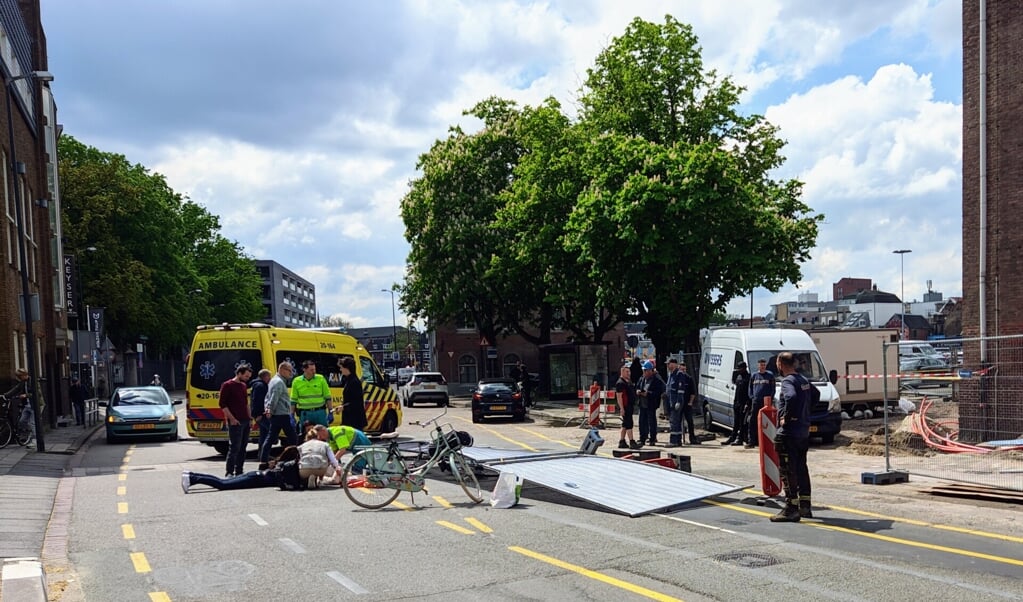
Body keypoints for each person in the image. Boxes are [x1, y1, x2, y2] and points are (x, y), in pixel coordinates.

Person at [770, 351, 814, 522]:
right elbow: (815, 396)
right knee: (802, 468)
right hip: (803, 431)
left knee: (788, 470)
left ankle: (791, 508)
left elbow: (791, 397)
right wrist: (805, 415)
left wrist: (786, 418)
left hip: (789, 433)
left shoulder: (788, 381)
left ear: (780, 364)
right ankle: (805, 506)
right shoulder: (803, 380)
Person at [182, 446, 300, 493]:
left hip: (255, 475)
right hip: (255, 479)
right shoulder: (287, 466)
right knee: (223, 485)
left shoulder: (280, 462)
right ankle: (192, 478)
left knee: (223, 481)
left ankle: (192, 476)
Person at [259, 362, 298, 469]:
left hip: (277, 414)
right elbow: (273, 398)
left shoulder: (274, 380)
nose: (291, 373)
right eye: (289, 371)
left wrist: (268, 409)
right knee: (292, 437)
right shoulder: (279, 382)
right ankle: (296, 458)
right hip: (281, 414)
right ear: (282, 370)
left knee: (271, 437)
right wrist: (270, 410)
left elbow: (268, 397)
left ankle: (263, 461)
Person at [219, 364, 253, 477]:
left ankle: (239, 471)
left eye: (249, 377)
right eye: (246, 376)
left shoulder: (243, 386)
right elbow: (222, 404)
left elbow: (245, 403)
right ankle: (229, 471)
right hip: (235, 422)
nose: (247, 379)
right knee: (235, 447)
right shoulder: (227, 385)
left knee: (243, 448)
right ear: (239, 373)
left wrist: (250, 418)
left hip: (245, 420)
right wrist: (232, 419)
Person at [291, 360, 332, 428]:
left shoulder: (320, 379)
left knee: (322, 435)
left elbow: (327, 397)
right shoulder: (296, 381)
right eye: (311, 370)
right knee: (306, 435)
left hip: (320, 412)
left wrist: (330, 411)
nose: (314, 372)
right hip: (305, 414)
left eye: (314, 369)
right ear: (304, 369)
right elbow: (293, 400)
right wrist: (291, 415)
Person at [746, 358, 776, 449]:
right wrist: (752, 397)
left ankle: (767, 441)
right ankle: (751, 441)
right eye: (761, 365)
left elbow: (773, 389)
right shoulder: (754, 375)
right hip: (755, 401)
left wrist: (770, 398)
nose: (762, 366)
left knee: (766, 422)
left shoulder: (770, 375)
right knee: (753, 421)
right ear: (758, 365)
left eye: (764, 365)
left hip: (766, 402)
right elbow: (750, 388)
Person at [635, 360, 664, 446]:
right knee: (642, 422)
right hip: (642, 403)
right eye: (644, 370)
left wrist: (648, 393)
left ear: (651, 370)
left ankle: (652, 438)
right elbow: (637, 386)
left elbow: (658, 392)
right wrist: (638, 391)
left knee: (651, 422)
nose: (644, 372)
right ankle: (642, 438)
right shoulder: (642, 378)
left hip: (651, 404)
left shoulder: (656, 380)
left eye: (646, 370)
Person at [723, 362, 751, 446]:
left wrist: (748, 403)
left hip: (744, 402)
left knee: (742, 422)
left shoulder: (749, 377)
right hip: (737, 402)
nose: (739, 370)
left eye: (740, 368)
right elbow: (737, 390)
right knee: (736, 422)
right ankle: (733, 437)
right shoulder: (738, 377)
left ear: (744, 368)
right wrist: (735, 402)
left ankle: (740, 439)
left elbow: (749, 392)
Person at [614, 366, 640, 450]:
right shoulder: (620, 383)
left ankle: (622, 441)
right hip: (625, 406)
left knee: (625, 424)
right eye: (626, 372)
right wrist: (621, 408)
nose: (629, 373)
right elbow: (619, 396)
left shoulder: (628, 382)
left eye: (629, 372)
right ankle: (632, 441)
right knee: (629, 424)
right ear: (622, 372)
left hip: (630, 405)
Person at [339, 357, 368, 431]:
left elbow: (356, 402)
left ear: (347, 368)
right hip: (350, 419)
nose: (340, 370)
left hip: (355, 420)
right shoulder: (349, 380)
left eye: (341, 367)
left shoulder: (354, 382)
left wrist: (343, 407)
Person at [250, 368, 272, 464]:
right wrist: (258, 414)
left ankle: (262, 454)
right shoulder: (260, 386)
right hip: (261, 414)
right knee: (271, 433)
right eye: (269, 377)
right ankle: (264, 454)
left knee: (264, 434)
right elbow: (257, 401)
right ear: (265, 376)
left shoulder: (258, 385)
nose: (270, 379)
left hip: (261, 414)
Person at [676, 362, 698, 445]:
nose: (683, 371)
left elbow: (693, 392)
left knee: (690, 421)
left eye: (684, 369)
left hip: (687, 403)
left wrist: (690, 402)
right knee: (677, 421)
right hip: (679, 403)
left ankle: (692, 438)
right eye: (682, 369)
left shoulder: (689, 378)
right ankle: (678, 439)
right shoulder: (677, 378)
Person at [664, 359, 684, 446]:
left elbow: (680, 390)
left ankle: (673, 441)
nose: (668, 366)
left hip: (675, 402)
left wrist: (678, 401)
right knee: (676, 421)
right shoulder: (671, 375)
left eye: (669, 364)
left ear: (674, 364)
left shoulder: (678, 374)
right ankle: (678, 440)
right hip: (670, 401)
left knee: (674, 422)